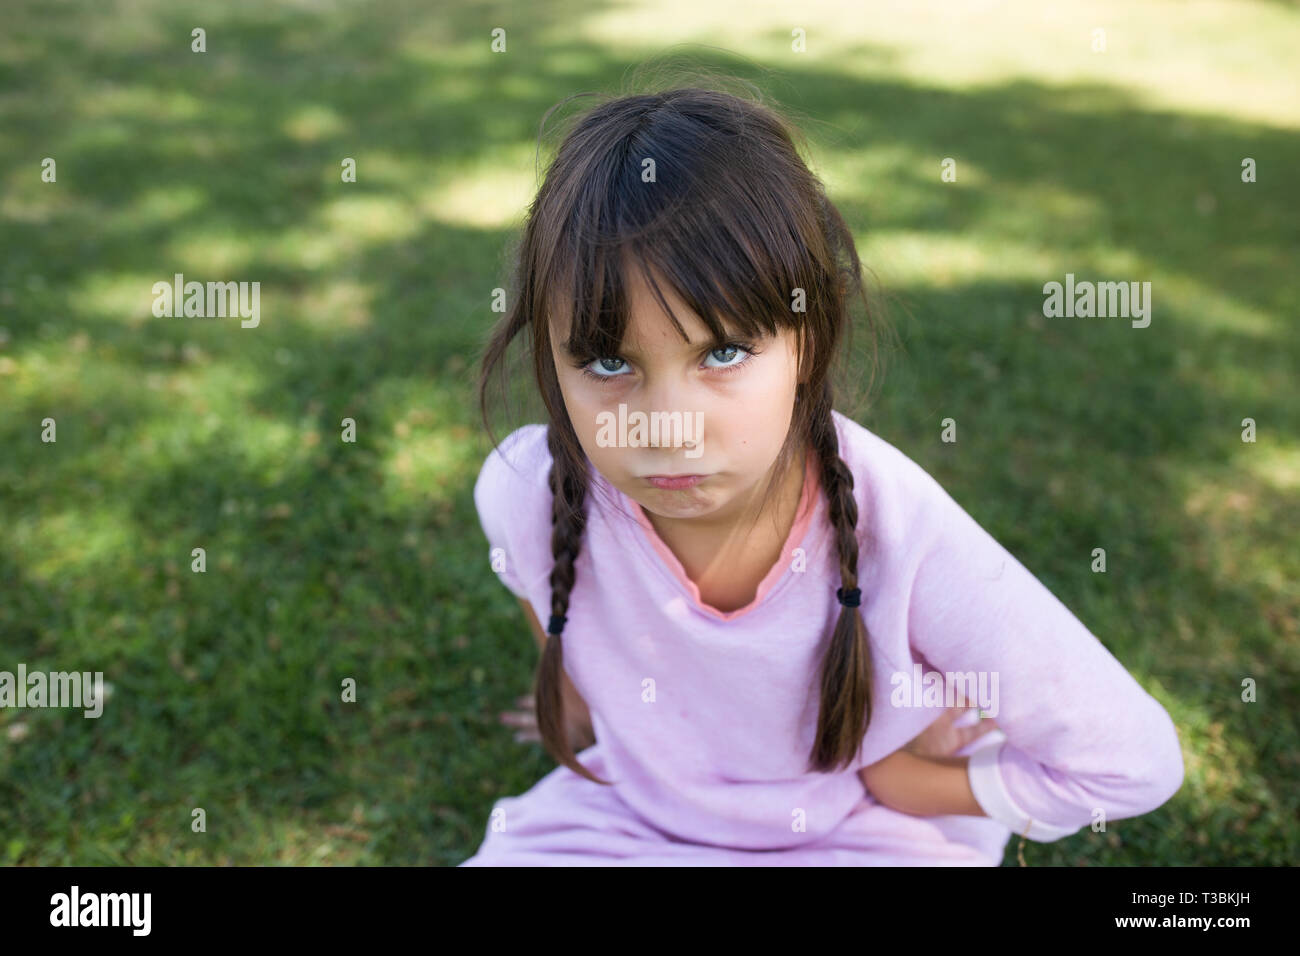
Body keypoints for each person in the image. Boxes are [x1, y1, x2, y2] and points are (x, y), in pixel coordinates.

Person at [460, 83, 1183, 865]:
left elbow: (1132, 760)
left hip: (860, 836)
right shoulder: (523, 493)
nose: (667, 428)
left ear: (807, 338)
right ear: (550, 358)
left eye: (723, 352)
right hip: (621, 828)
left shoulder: (899, 527)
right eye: (608, 361)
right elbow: (570, 644)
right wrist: (578, 708)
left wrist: (912, 781)